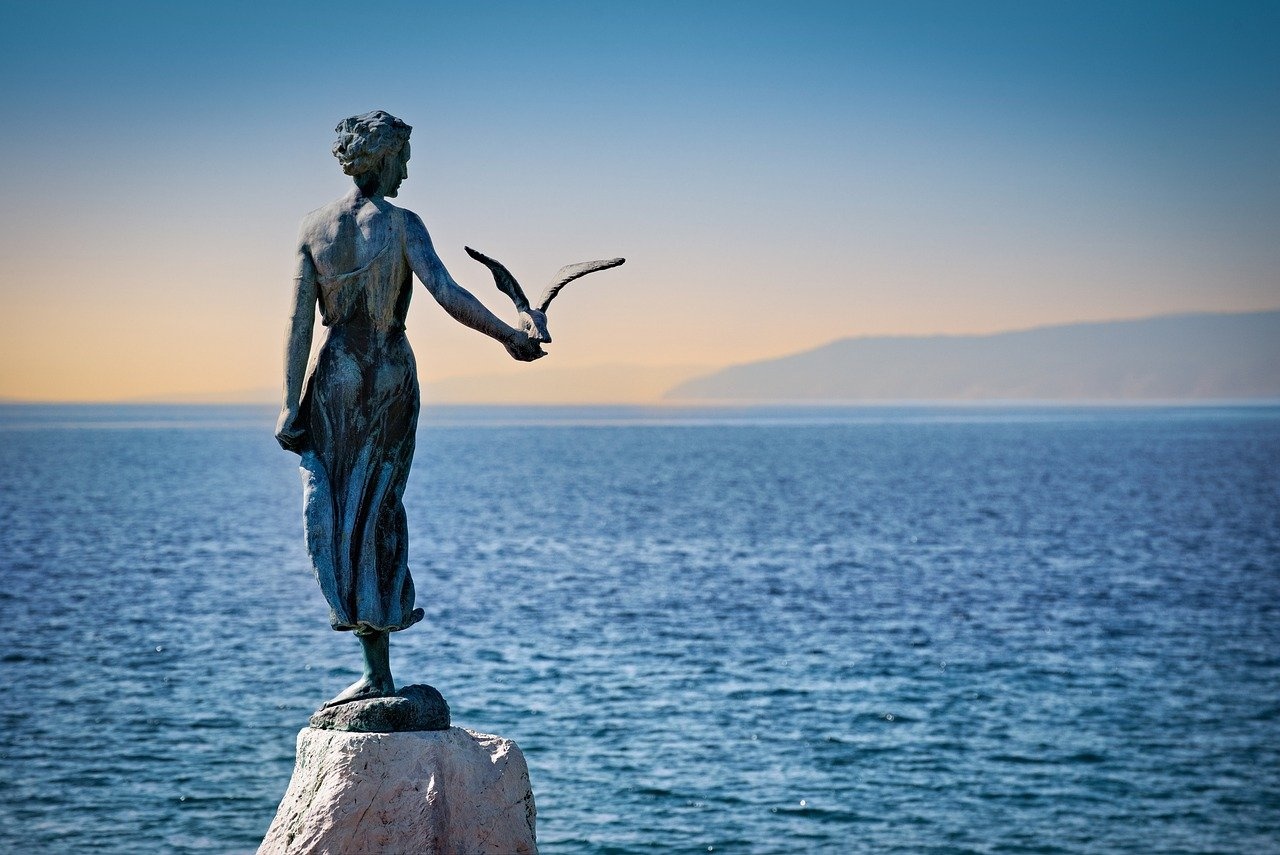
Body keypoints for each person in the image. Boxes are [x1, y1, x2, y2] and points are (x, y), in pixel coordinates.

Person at [274, 110, 545, 708]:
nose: (407, 171)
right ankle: (379, 674)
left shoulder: (313, 229)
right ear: (382, 156)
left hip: (335, 380)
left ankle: (375, 669)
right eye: (402, 157)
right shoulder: (402, 225)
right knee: (378, 512)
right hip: (388, 379)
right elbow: (447, 292)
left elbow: (298, 325)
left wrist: (289, 404)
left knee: (342, 514)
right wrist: (510, 335)